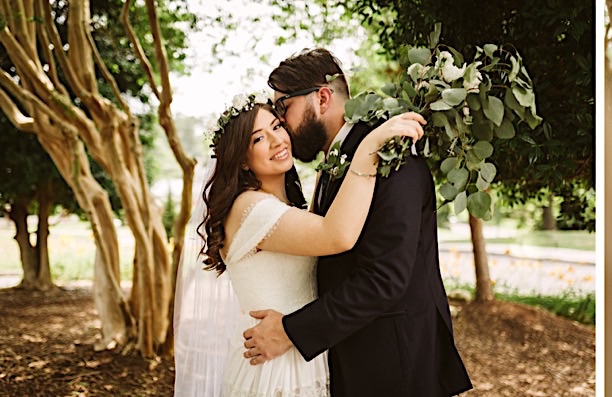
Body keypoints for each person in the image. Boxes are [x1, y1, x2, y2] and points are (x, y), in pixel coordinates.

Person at [240, 48, 473, 396]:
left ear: (321, 98)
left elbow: (384, 279)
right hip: (353, 360)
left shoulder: (390, 156)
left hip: (394, 366)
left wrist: (291, 331)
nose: (281, 121)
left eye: (283, 107)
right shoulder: (345, 158)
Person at [172, 91, 425, 396]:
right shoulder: (250, 209)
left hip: (302, 356)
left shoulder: (286, 207)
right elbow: (338, 236)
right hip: (275, 372)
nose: (277, 140)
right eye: (258, 139)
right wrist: (370, 147)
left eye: (277, 127)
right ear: (241, 161)